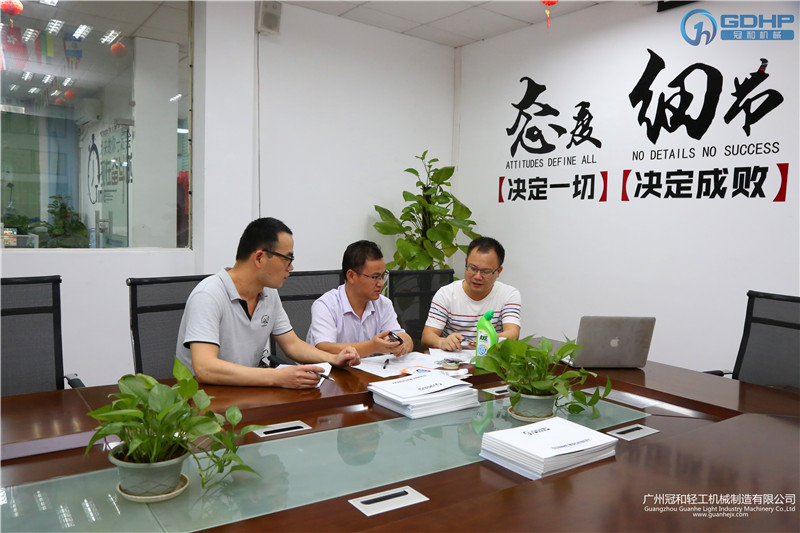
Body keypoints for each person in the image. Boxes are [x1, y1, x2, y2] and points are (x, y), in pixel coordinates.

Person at [176, 217, 360, 388]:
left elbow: (292, 344)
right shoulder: (208, 295)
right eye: (287, 259)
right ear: (259, 258)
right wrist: (277, 377)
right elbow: (205, 368)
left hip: (246, 390)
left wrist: (333, 359)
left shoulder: (268, 292)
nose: (291, 267)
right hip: (203, 398)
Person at [307, 240, 413, 357]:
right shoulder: (326, 305)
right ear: (351, 276)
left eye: (383, 276)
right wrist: (372, 347)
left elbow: (402, 337)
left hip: (371, 368)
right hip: (330, 368)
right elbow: (324, 349)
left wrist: (404, 342)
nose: (381, 283)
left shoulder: (383, 304)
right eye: (375, 277)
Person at [421, 237, 521, 351]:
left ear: (498, 271)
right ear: (466, 263)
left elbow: (513, 334)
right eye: (473, 268)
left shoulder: (509, 294)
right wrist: (442, 342)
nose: (477, 276)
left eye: (486, 272)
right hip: (454, 357)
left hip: (489, 357)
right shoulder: (446, 294)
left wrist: (486, 339)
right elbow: (427, 337)